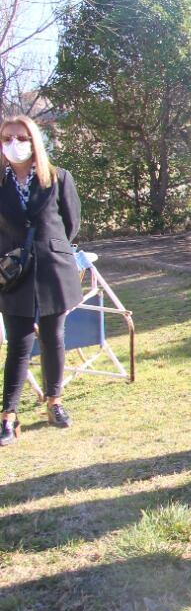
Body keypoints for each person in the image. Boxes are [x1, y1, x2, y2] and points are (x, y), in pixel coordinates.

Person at [0, 115, 82, 446]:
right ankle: (8, 416)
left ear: (34, 142)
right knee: (18, 344)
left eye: (21, 138)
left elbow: (71, 224)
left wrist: (51, 248)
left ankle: (54, 402)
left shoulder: (59, 178)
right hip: (13, 273)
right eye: (7, 138)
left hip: (52, 269)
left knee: (54, 338)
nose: (14, 144)